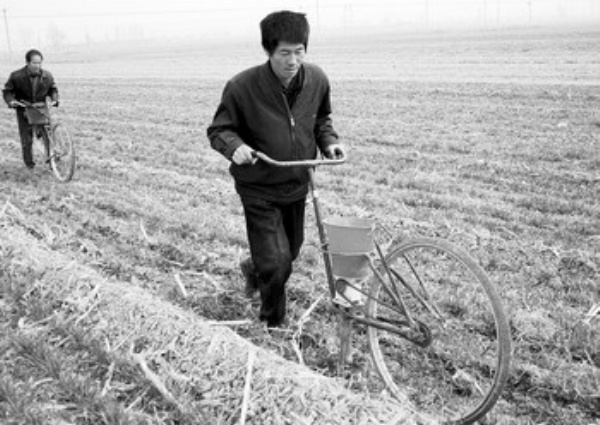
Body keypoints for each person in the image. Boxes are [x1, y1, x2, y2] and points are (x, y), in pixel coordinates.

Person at [207, 10, 346, 328]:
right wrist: (235, 147)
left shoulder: (317, 80)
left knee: (291, 251)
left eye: (299, 51)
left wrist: (329, 143)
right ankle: (272, 324)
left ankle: (253, 268)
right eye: (285, 52)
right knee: (277, 262)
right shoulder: (242, 87)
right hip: (259, 186)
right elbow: (219, 130)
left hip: (297, 182)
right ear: (269, 50)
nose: (293, 60)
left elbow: (322, 120)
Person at [3, 49, 59, 169]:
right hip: (24, 108)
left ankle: (51, 161)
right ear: (27, 62)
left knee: (47, 134)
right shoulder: (16, 76)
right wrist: (11, 101)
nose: (37, 66)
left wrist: (54, 99)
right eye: (34, 63)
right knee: (26, 138)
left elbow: (53, 89)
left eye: (39, 63)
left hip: (41, 108)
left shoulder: (47, 76)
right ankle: (29, 164)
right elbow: (7, 91)